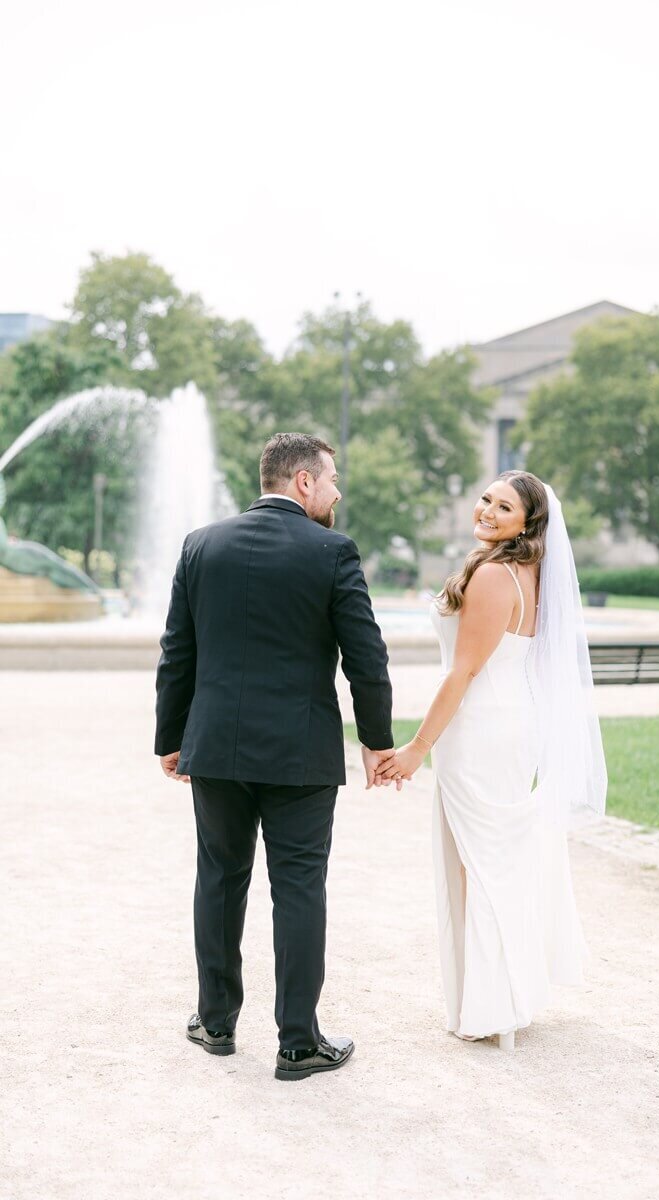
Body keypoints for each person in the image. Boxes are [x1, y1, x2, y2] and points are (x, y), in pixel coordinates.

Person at [155, 433, 397, 1081]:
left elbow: (177, 653)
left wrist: (170, 737)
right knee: (297, 891)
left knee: (219, 878)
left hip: (216, 751)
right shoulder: (333, 551)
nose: (338, 490)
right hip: (301, 754)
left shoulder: (200, 545)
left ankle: (214, 1022)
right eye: (333, 478)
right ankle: (298, 1041)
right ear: (302, 482)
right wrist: (377, 741)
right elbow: (367, 660)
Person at [378, 471, 606, 1048]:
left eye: (503, 507)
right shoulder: (528, 570)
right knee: (497, 859)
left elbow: (465, 670)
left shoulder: (494, 575)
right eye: (485, 498)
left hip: (479, 728)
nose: (487, 510)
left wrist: (416, 749)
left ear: (526, 522)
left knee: (477, 865)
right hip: (510, 723)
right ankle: (500, 999)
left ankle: (492, 1005)